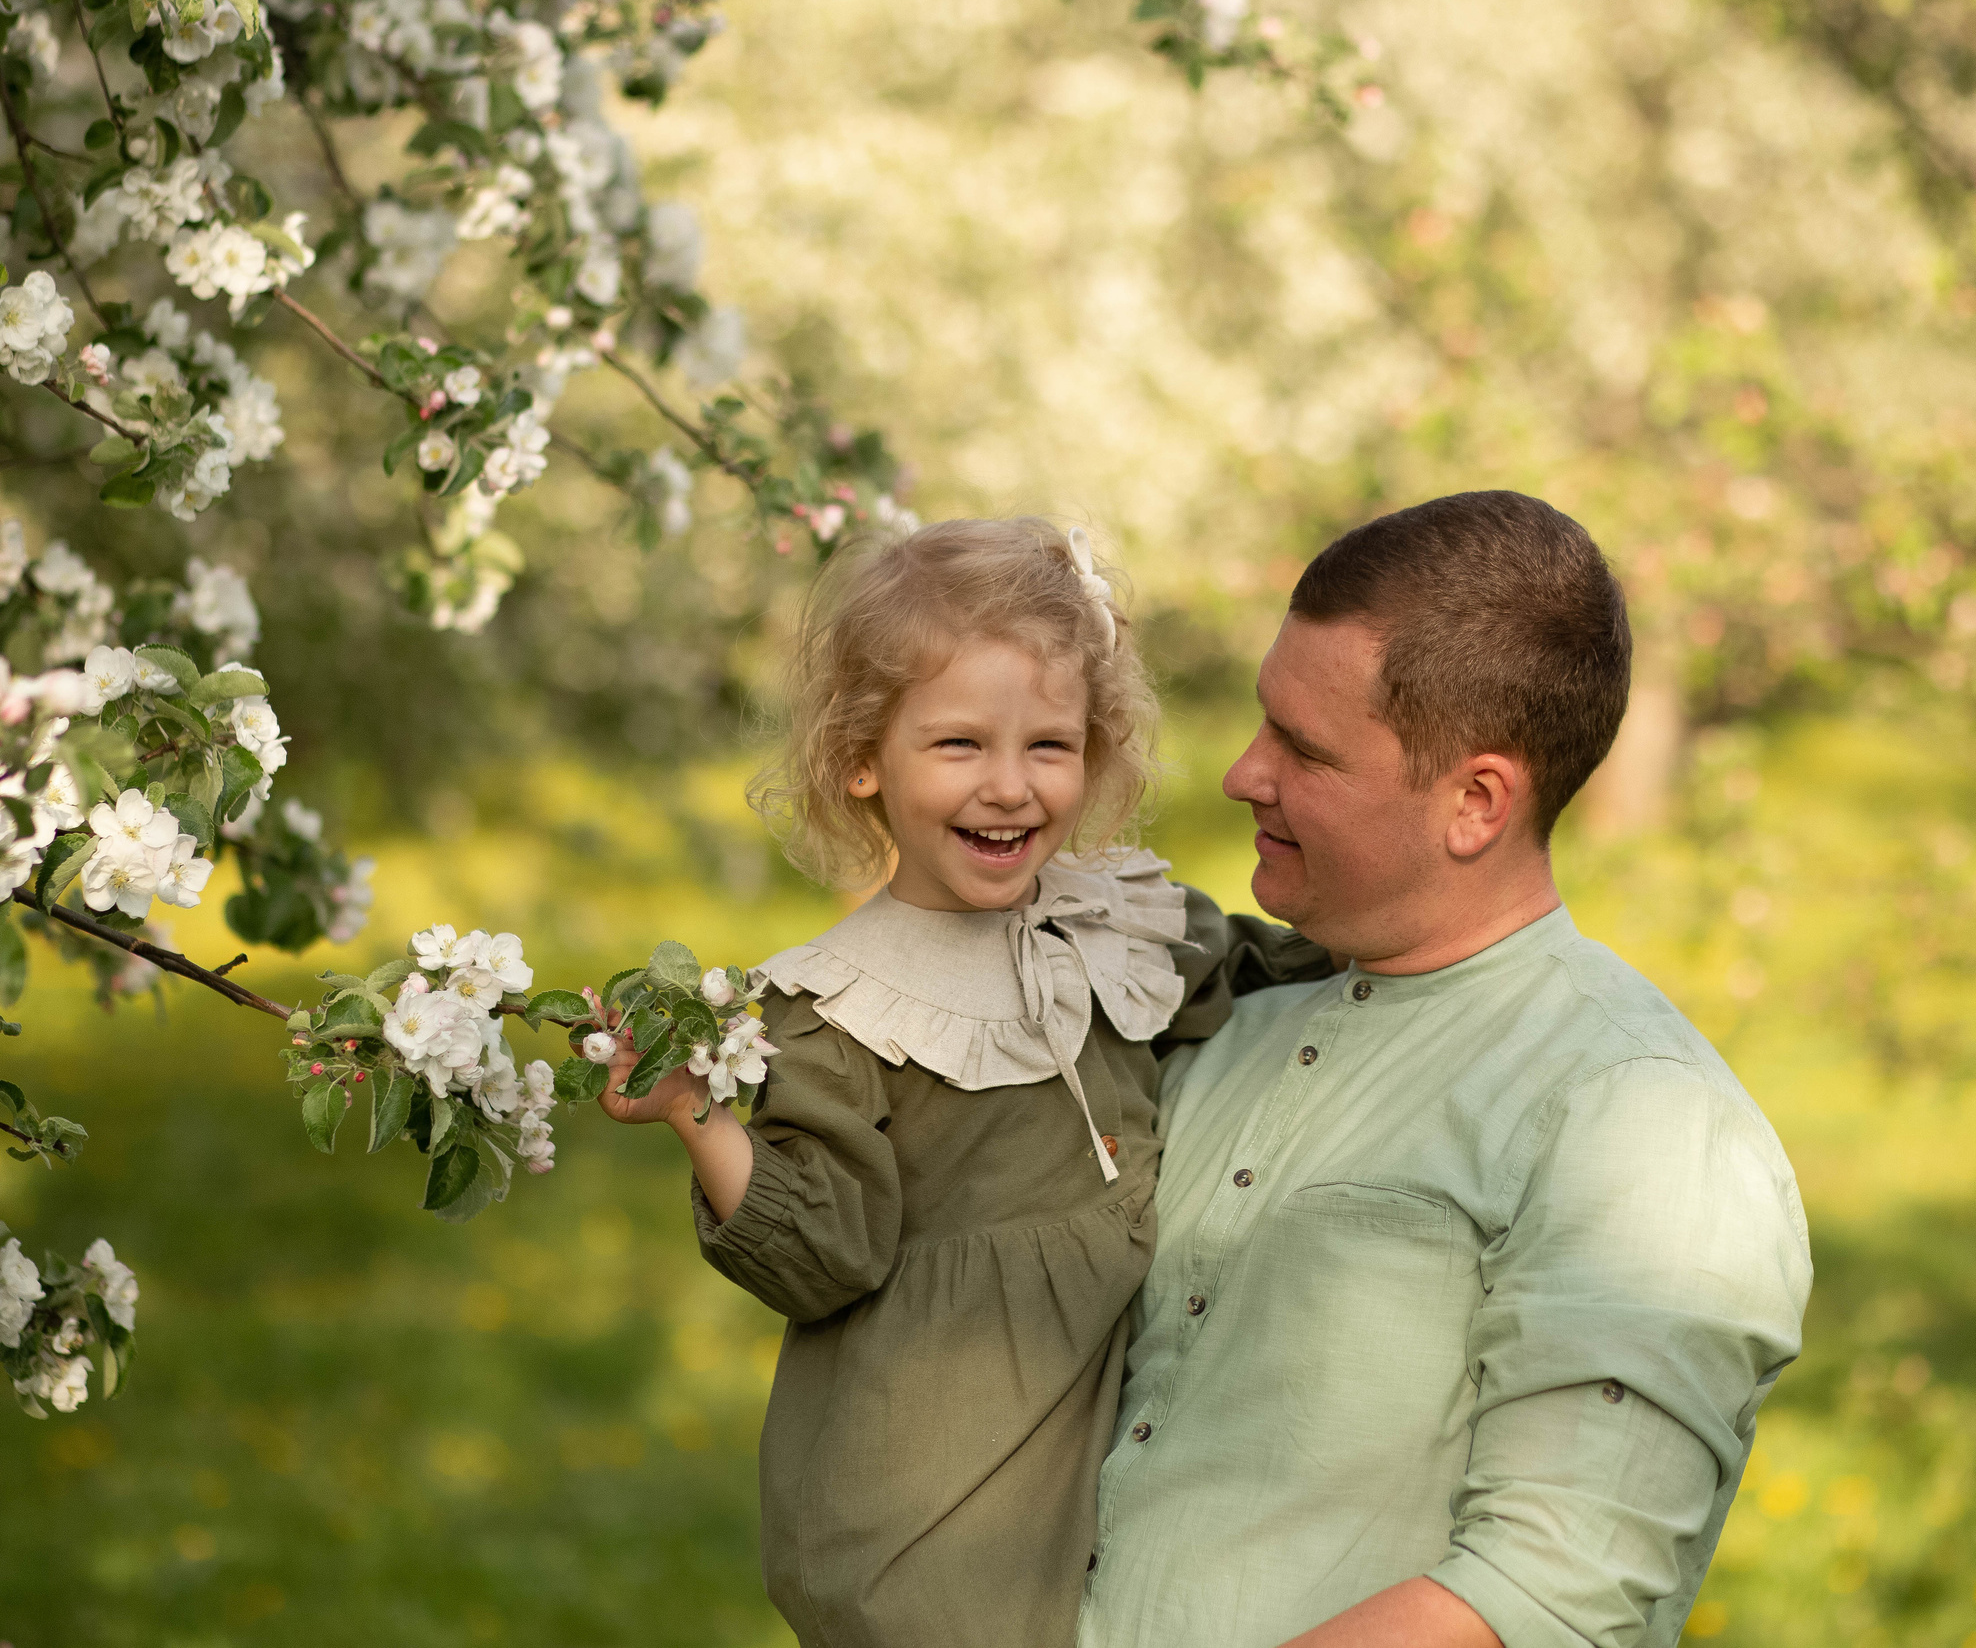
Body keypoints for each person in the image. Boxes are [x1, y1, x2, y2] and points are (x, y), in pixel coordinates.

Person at [1078, 491, 1813, 1648]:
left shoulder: (1641, 1125)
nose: (1242, 773)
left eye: (1304, 750)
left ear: (1475, 802)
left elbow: (1553, 1593)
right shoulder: (1228, 1028)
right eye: (1264, 722)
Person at [597, 519, 1324, 1648]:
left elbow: (1256, 968)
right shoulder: (843, 1009)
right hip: (926, 1486)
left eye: (1050, 744)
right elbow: (823, 1251)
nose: (1010, 786)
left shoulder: (1113, 923)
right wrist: (697, 1112)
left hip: (1079, 1436)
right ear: (861, 758)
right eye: (958, 744)